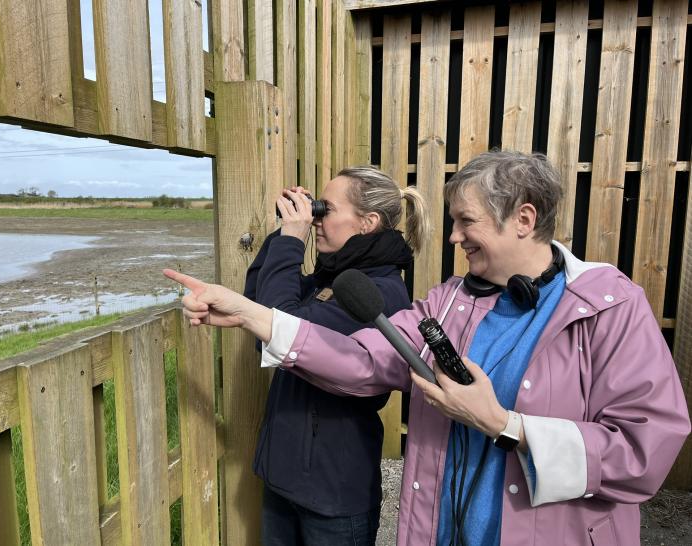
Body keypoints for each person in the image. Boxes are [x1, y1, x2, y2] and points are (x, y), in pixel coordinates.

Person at [165, 150, 690, 546]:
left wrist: (506, 424)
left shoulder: (607, 305)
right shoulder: (449, 301)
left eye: (467, 222)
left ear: (524, 220)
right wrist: (252, 314)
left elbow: (646, 451)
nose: (454, 237)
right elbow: (366, 358)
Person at [243, 167, 430, 545]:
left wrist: (293, 242)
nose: (315, 219)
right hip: (286, 476)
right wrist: (284, 235)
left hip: (333, 491)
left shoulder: (376, 294)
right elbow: (258, 313)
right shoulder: (330, 279)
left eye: (325, 209)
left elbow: (281, 330)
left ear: (367, 222)